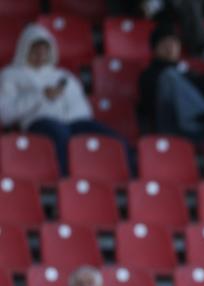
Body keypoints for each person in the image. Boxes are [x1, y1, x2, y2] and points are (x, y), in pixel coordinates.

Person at [0, 24, 135, 176]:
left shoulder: (64, 75)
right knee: (61, 136)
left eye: (45, 49)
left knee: (114, 140)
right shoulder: (10, 75)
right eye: (35, 48)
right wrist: (40, 96)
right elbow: (5, 113)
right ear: (25, 49)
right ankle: (67, 182)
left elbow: (83, 109)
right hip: (38, 122)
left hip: (73, 122)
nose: (40, 53)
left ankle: (129, 179)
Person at [138, 24, 204, 140]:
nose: (170, 47)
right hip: (174, 126)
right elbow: (153, 103)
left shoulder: (185, 69)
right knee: (170, 76)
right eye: (165, 44)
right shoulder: (150, 74)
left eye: (174, 43)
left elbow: (195, 89)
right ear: (155, 48)